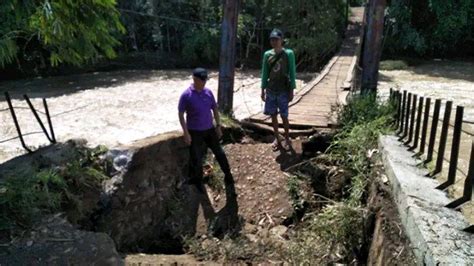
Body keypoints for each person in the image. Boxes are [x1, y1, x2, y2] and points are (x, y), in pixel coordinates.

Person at [178, 68, 237, 204]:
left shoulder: (208, 92)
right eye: (201, 80)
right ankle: (198, 182)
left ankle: (228, 175)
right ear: (195, 79)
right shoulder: (186, 95)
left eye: (205, 80)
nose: (204, 83)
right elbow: (181, 114)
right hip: (194, 131)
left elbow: (215, 109)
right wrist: (186, 133)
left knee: (220, 153)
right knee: (197, 158)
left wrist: (218, 126)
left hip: (209, 129)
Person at [261, 28, 296, 151]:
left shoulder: (289, 54)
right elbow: (265, 73)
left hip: (283, 89)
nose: (274, 42)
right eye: (272, 39)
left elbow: (292, 72)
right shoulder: (267, 55)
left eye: (276, 39)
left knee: (284, 115)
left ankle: (287, 137)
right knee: (273, 115)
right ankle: (277, 137)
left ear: (282, 40)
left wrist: (292, 90)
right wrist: (262, 89)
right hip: (271, 89)